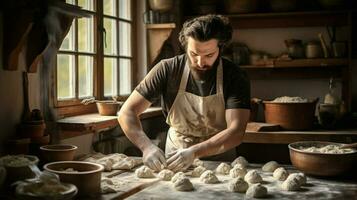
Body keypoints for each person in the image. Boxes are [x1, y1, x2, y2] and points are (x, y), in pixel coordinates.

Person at [118, 14, 251, 172]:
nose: (200, 62)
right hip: (175, 156)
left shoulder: (234, 75)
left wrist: (194, 152)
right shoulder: (167, 69)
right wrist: (146, 147)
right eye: (194, 54)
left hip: (220, 157)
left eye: (209, 55)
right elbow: (126, 112)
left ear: (220, 48)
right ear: (186, 47)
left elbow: (236, 131)